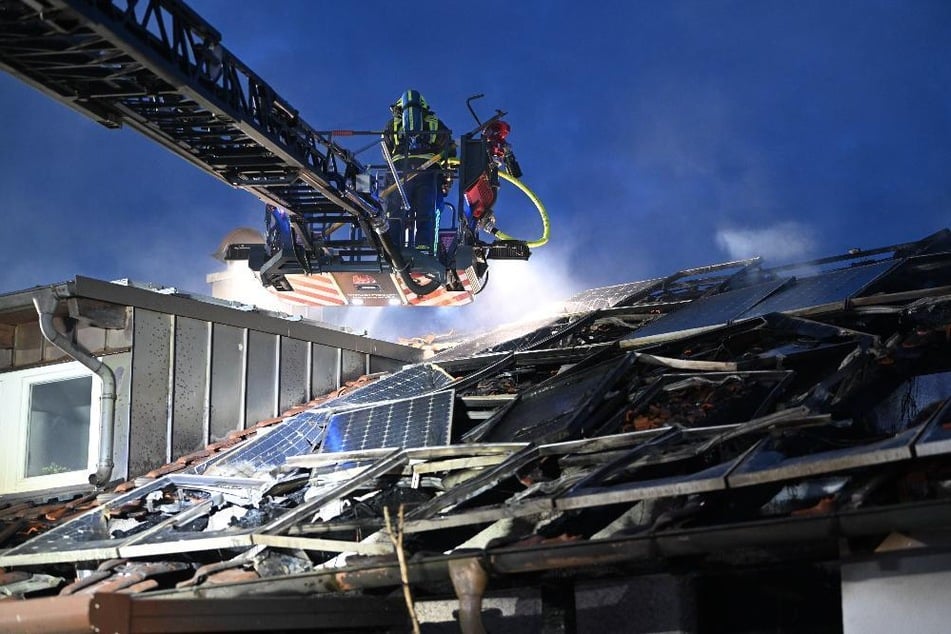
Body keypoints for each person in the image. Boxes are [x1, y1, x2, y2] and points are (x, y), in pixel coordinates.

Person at [383, 89, 455, 255]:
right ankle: (424, 246)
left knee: (395, 211)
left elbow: (386, 151)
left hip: (399, 173)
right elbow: (449, 149)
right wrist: (446, 176)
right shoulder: (434, 122)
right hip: (428, 174)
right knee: (427, 209)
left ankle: (393, 247)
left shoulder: (392, 125)